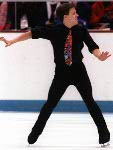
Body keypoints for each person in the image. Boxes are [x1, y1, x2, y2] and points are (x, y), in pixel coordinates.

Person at [0, 3, 111, 147]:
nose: (77, 15)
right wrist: (12, 41)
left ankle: (104, 135)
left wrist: (99, 56)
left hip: (79, 72)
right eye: (74, 13)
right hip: (61, 73)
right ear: (66, 17)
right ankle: (35, 133)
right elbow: (31, 33)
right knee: (49, 104)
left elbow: (92, 46)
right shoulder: (54, 30)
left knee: (90, 102)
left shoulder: (81, 31)